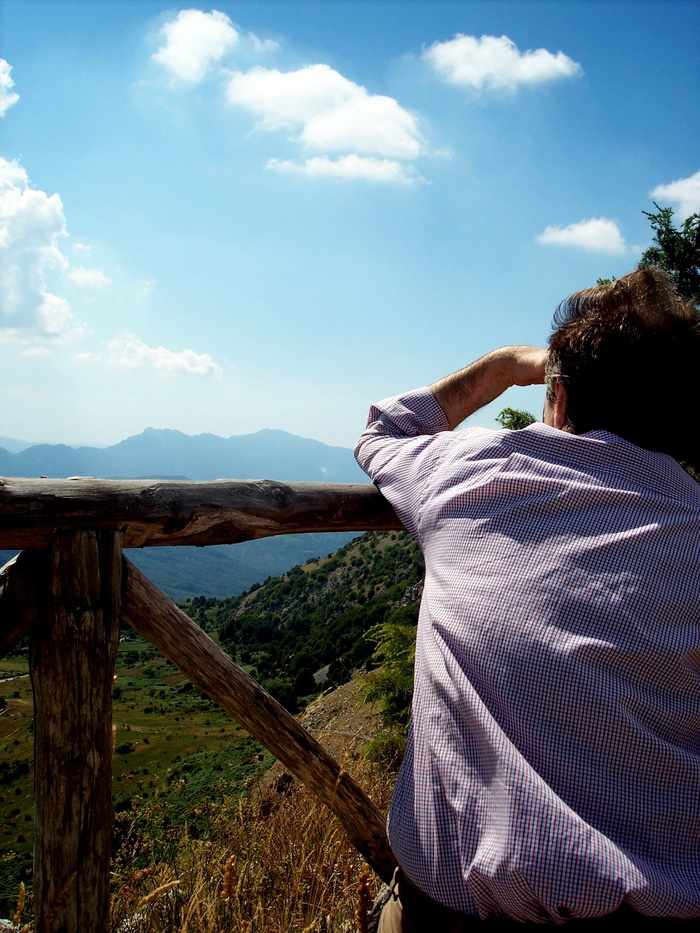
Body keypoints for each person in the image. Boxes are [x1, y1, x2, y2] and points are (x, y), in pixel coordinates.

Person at [354, 269, 700, 930]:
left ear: (560, 400)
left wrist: (507, 367)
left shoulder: (476, 474)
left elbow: (385, 430)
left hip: (455, 910)